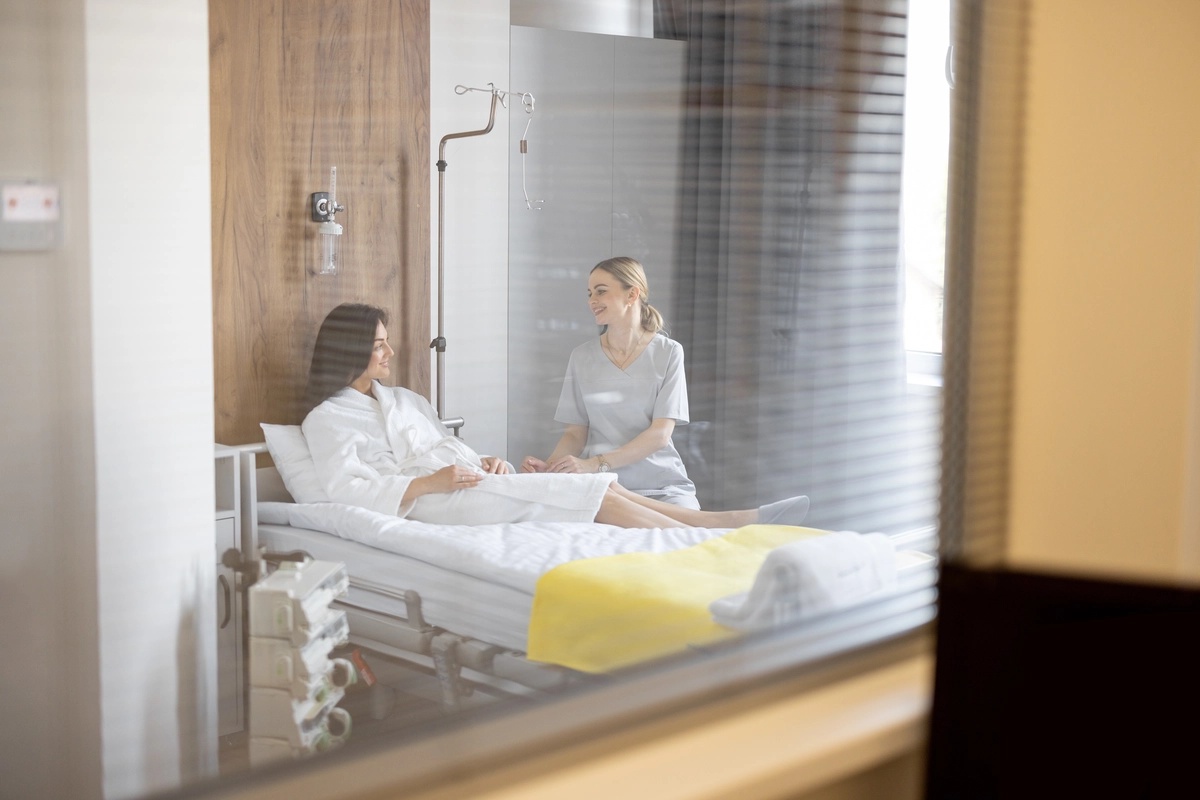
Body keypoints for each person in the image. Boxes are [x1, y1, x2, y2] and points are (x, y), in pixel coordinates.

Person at [300, 302, 810, 529]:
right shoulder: (326, 420)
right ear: (349, 351)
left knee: (598, 488)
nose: (389, 355)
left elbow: (447, 450)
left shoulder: (404, 400)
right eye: (378, 346)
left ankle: (719, 523)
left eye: (387, 344)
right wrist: (429, 483)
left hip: (464, 482)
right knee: (583, 488)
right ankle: (714, 528)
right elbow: (348, 493)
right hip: (429, 504)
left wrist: (486, 459)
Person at [521, 257, 700, 508]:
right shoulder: (582, 357)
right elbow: (574, 434)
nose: (592, 300)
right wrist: (550, 469)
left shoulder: (668, 353)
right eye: (590, 293)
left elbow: (660, 434)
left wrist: (594, 463)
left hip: (663, 486)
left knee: (689, 530)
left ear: (632, 294)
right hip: (603, 486)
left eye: (601, 291)